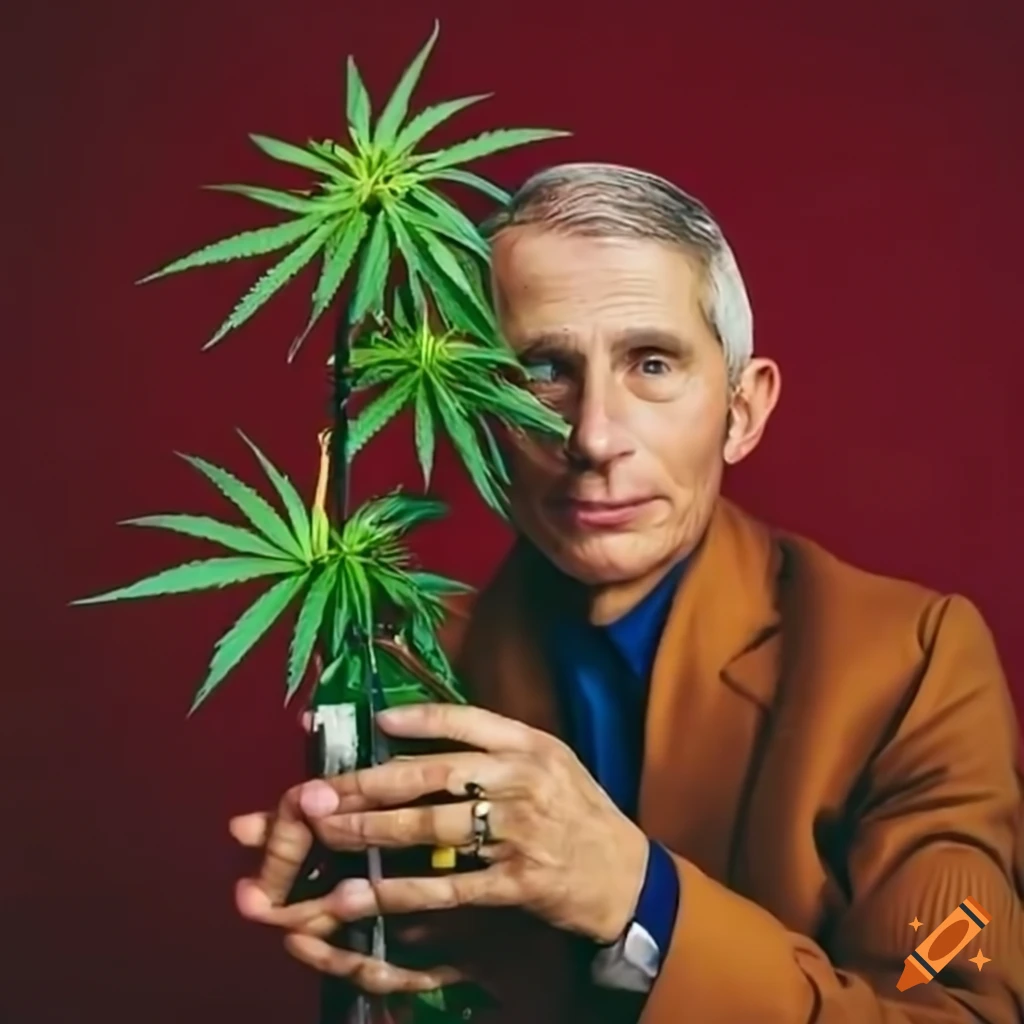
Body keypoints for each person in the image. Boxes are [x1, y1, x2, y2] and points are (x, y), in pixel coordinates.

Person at [229, 164, 1024, 1023]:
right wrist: (364, 924)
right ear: (472, 411)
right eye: (541, 369)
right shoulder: (405, 664)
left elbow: (952, 1002)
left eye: (652, 363)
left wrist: (639, 897)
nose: (594, 436)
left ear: (743, 410)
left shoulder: (911, 666)